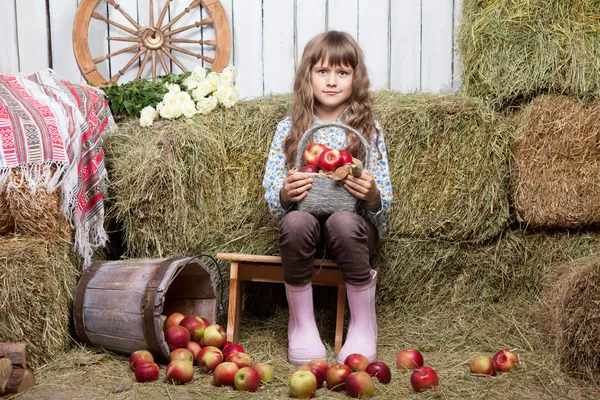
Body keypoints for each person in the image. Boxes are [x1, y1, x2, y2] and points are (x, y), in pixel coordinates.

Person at [262, 31, 393, 365]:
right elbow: (273, 189)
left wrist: (372, 194)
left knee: (343, 220)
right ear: (308, 76)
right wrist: (285, 192)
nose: (332, 81)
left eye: (342, 73)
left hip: (353, 231)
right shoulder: (290, 128)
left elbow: (384, 200)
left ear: (356, 78)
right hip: (307, 229)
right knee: (294, 222)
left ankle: (363, 325)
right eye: (322, 71)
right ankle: (301, 325)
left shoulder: (366, 129)